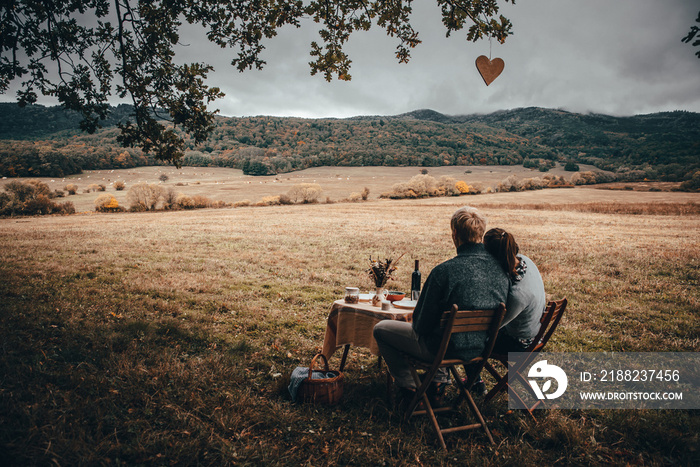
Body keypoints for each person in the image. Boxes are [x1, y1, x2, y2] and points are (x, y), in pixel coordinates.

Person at [373, 206, 509, 405]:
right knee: (441, 332)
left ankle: (410, 386)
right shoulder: (501, 271)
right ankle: (437, 382)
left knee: (381, 329)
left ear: (455, 234)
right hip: (479, 349)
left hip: (440, 350)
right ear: (481, 233)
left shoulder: (444, 272)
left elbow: (421, 325)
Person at [483, 228, 547, 355]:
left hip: (520, 344)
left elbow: (495, 327)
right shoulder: (525, 261)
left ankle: (473, 376)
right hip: (536, 333)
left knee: (471, 344)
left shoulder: (518, 295)